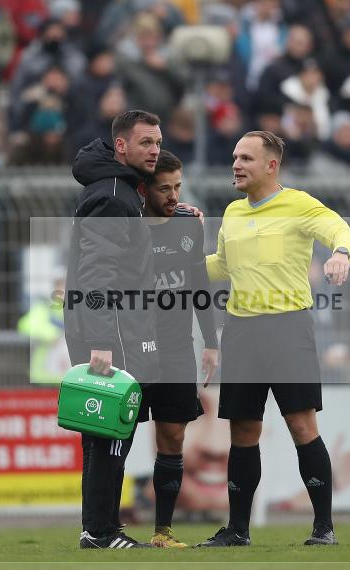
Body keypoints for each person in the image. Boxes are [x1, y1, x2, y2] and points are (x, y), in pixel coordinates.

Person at [196, 130, 350, 547]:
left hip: (288, 328)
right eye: (235, 156)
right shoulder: (232, 212)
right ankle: (238, 530)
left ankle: (324, 528)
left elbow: (340, 231)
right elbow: (223, 265)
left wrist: (340, 254)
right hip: (242, 331)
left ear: (271, 165)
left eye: (246, 158)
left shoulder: (298, 204)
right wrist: (183, 267)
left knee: (302, 425)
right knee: (243, 431)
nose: (236, 164)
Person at [64, 110, 162, 550]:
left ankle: (97, 529)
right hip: (113, 332)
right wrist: (102, 340)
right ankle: (103, 531)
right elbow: (97, 274)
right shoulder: (115, 196)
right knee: (112, 433)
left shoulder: (117, 188)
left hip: (111, 328)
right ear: (120, 146)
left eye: (157, 142)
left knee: (102, 434)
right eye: (145, 142)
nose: (155, 150)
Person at [141, 149, 218, 548]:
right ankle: (102, 530)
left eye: (177, 187)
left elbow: (199, 283)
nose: (173, 196)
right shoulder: (124, 225)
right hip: (132, 351)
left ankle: (162, 532)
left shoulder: (190, 224)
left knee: (172, 438)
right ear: (144, 190)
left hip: (175, 351)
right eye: (164, 188)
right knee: (113, 442)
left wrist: (211, 343)